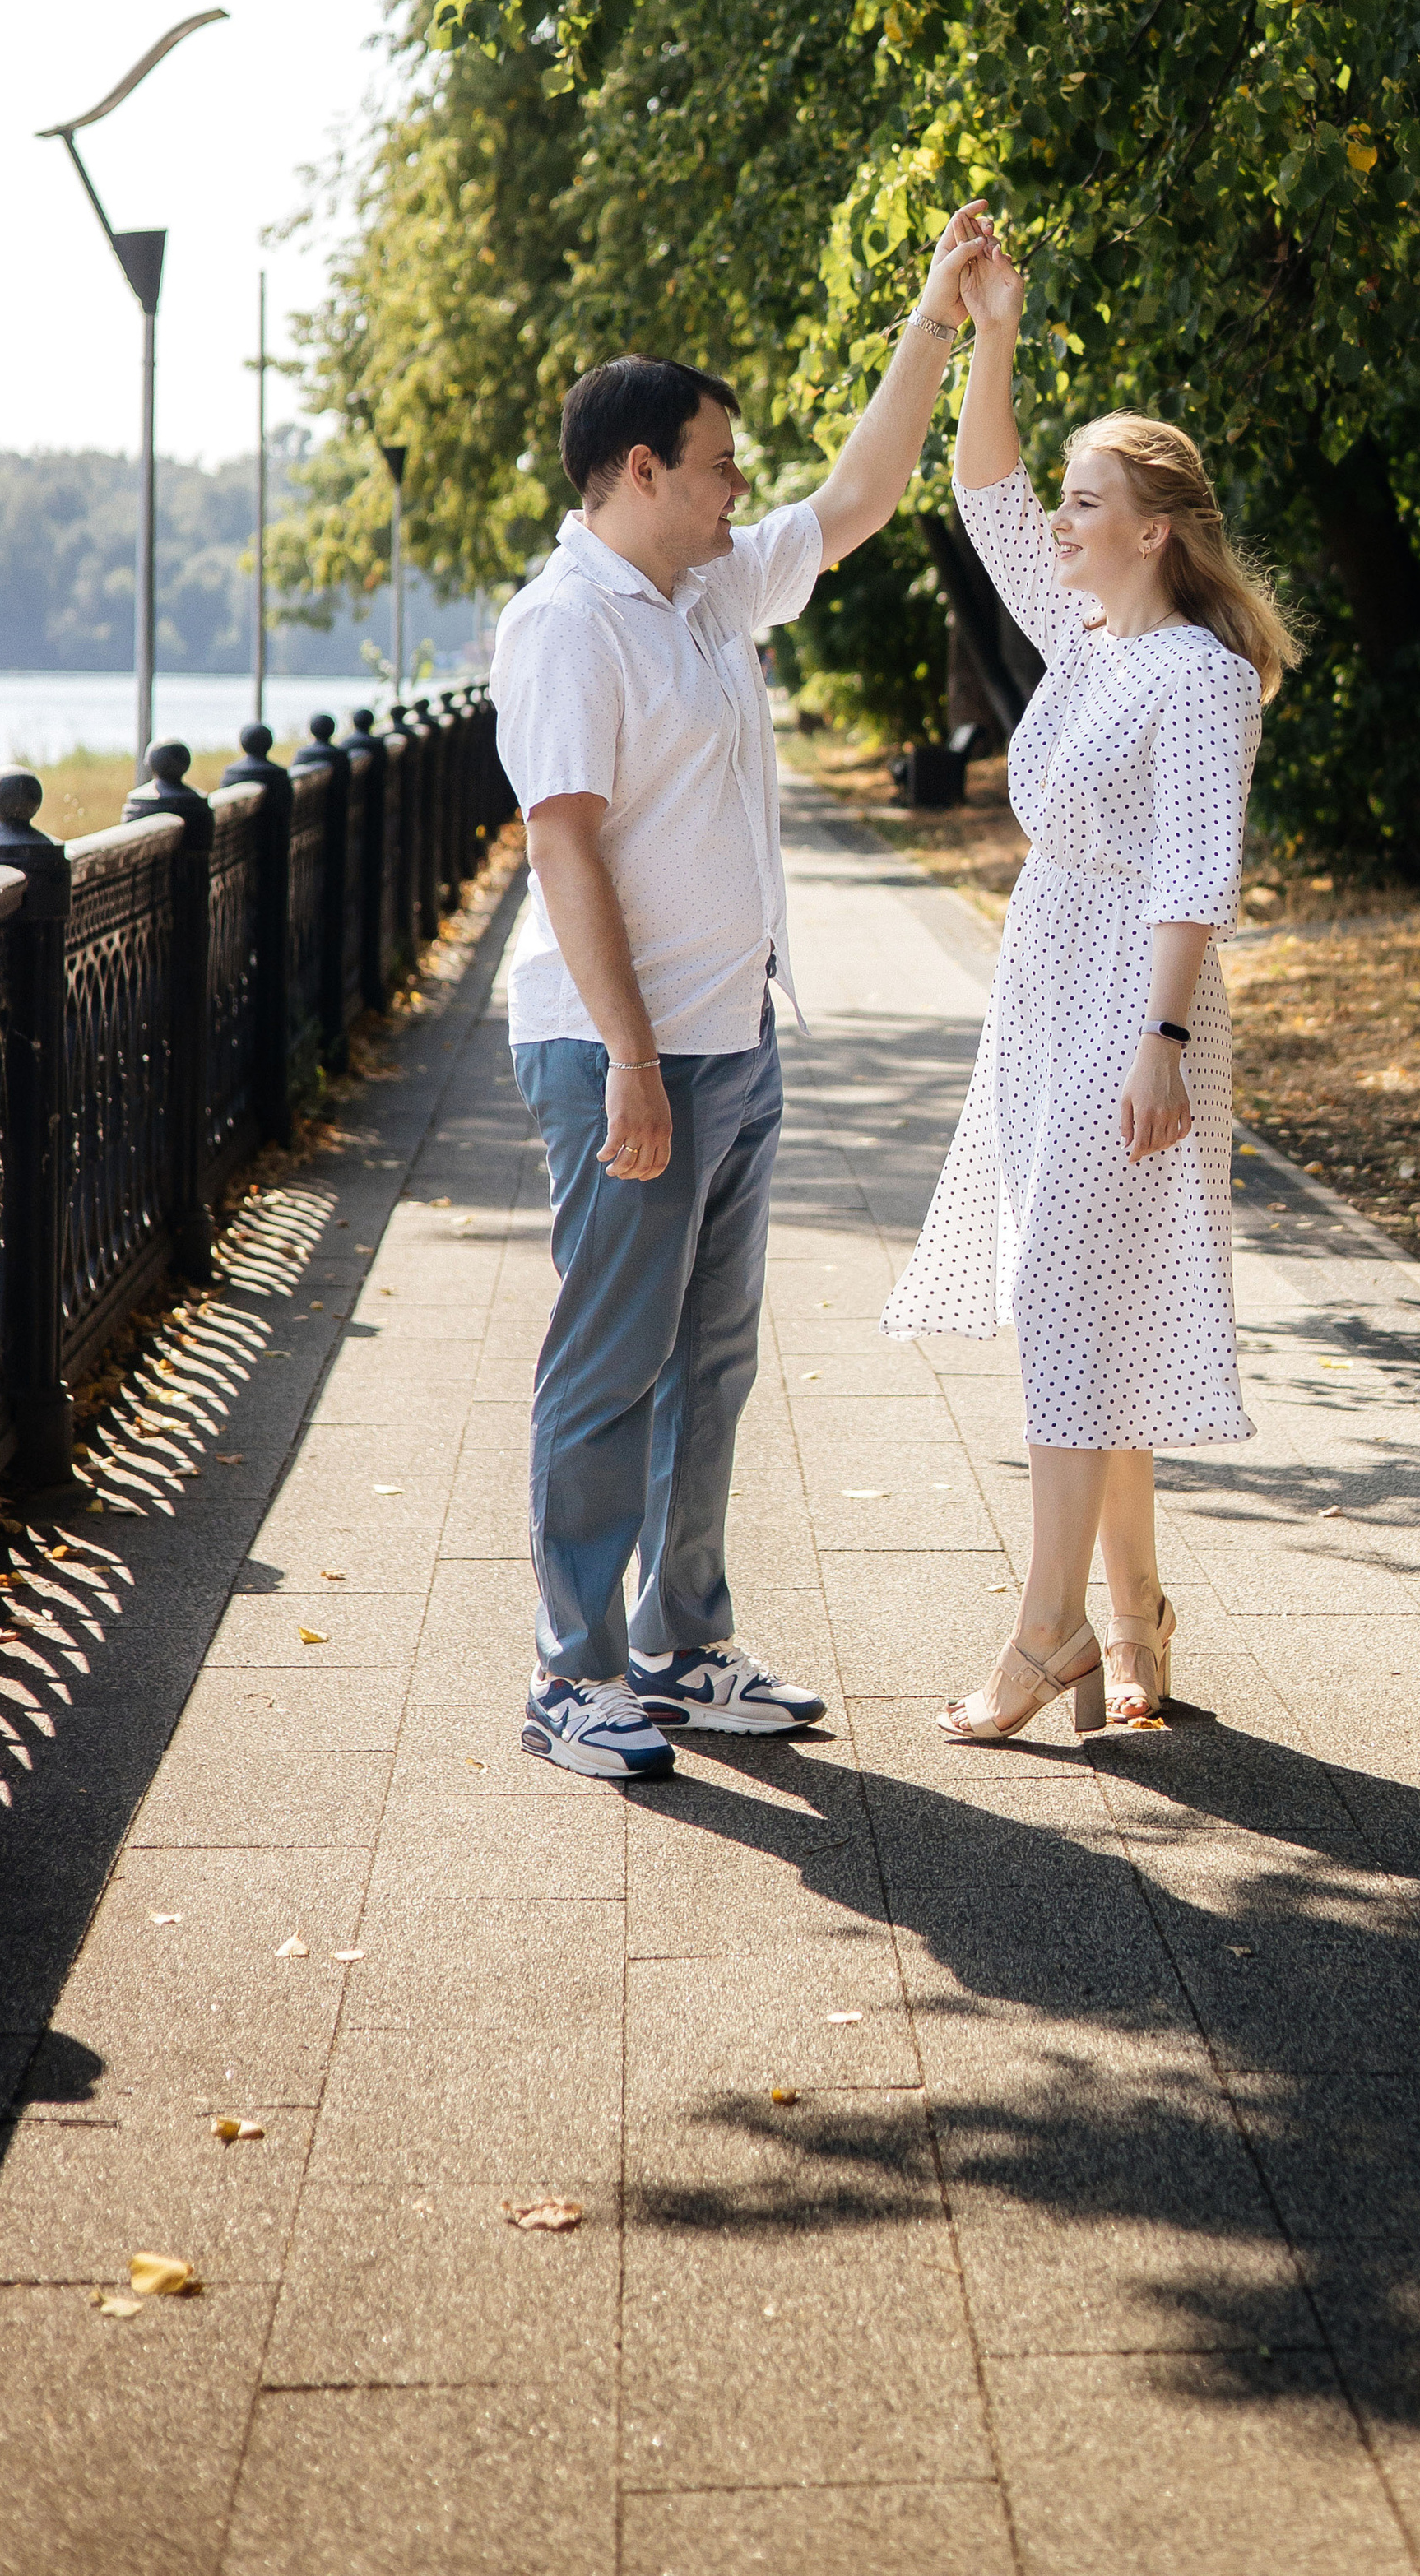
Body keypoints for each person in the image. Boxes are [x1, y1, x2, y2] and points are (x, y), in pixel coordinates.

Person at [493, 205, 992, 1780]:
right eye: (715, 463)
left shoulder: (700, 591)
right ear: (637, 469)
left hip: (732, 1040)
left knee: (711, 1360)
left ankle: (681, 1646)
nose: (735, 489)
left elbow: (858, 499)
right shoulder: (566, 624)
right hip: (619, 1056)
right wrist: (636, 1061)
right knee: (608, 1362)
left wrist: (938, 318)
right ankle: (571, 1673)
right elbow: (566, 853)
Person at [881, 232, 1300, 1738]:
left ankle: (1049, 1630)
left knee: (1064, 1301)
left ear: (1153, 531)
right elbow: (982, 492)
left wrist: (1165, 1042)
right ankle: (1140, 1625)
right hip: (1051, 991)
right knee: (1090, 1308)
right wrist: (990, 330)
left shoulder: (1193, 675)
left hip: (1136, 1006)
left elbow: (1203, 870)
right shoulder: (1089, 638)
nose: (1058, 520)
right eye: (1067, 500)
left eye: (1087, 503)